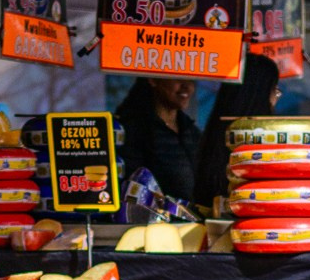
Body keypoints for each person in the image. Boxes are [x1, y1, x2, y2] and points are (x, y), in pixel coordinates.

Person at [189, 53, 281, 211]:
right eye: (275, 91)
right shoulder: (262, 145)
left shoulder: (215, 133)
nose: (275, 100)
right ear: (260, 95)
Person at [113, 77, 200, 206]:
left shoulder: (192, 131)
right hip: (150, 221)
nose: (187, 86)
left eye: (192, 80)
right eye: (179, 77)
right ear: (153, 79)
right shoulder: (132, 129)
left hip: (191, 221)